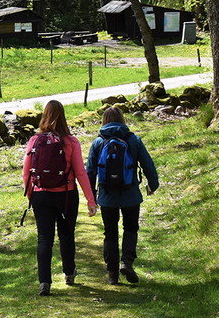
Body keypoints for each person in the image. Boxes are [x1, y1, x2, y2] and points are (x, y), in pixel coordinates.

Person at [22, 100, 96, 296]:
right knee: (66, 235)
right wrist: (91, 200)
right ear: (63, 116)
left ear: (44, 116)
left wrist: (31, 194)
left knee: (44, 238)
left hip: (41, 195)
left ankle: (44, 282)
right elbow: (81, 172)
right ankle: (69, 273)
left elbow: (26, 172)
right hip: (66, 195)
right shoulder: (71, 142)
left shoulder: (34, 140)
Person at [85, 106, 159, 285]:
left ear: (104, 121)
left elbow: (90, 172)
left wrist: (91, 198)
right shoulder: (133, 140)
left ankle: (112, 273)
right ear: (122, 120)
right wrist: (153, 185)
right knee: (131, 228)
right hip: (130, 195)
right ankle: (127, 262)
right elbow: (148, 165)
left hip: (107, 196)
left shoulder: (98, 142)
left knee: (110, 233)